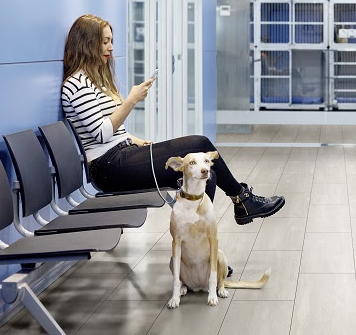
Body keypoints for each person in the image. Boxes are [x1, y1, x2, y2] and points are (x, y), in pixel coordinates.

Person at [60, 14, 285, 227]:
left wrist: (135, 140)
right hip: (108, 167)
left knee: (209, 175)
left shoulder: (94, 80)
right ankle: (242, 199)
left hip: (120, 155)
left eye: (111, 41)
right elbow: (101, 134)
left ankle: (198, 247)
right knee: (200, 142)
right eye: (105, 42)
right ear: (88, 43)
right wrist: (131, 100)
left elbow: (110, 129)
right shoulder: (77, 84)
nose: (110, 47)